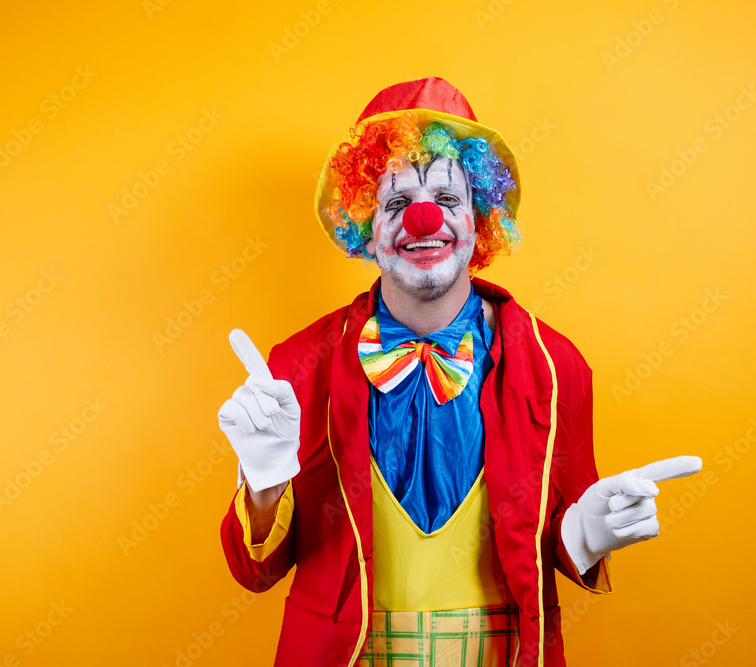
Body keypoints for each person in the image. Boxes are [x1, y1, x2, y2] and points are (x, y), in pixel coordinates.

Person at [218, 77, 701, 666]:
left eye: (447, 199)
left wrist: (585, 534)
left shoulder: (556, 366)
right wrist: (263, 485)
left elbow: (553, 542)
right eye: (396, 204)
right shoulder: (295, 367)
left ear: (481, 218)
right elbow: (254, 572)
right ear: (365, 226)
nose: (424, 220)